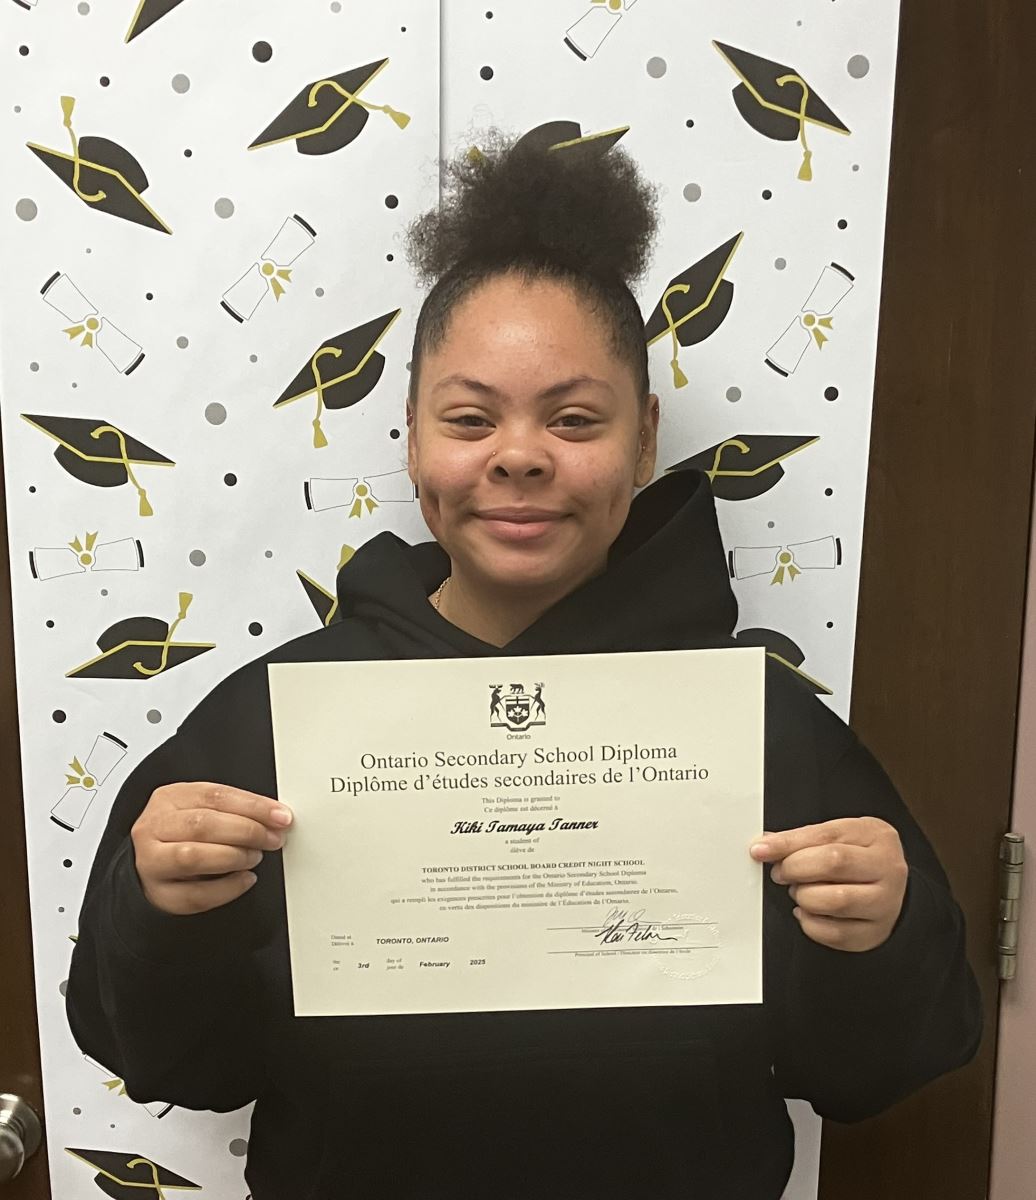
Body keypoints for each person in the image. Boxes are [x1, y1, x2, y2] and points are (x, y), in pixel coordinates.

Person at [66, 132, 982, 1200]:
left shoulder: (758, 726)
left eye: (574, 419)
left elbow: (868, 1073)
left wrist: (884, 929)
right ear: (411, 441)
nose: (518, 454)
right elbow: (178, 1066)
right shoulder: (273, 719)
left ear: (642, 443)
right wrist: (160, 910)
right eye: (469, 418)